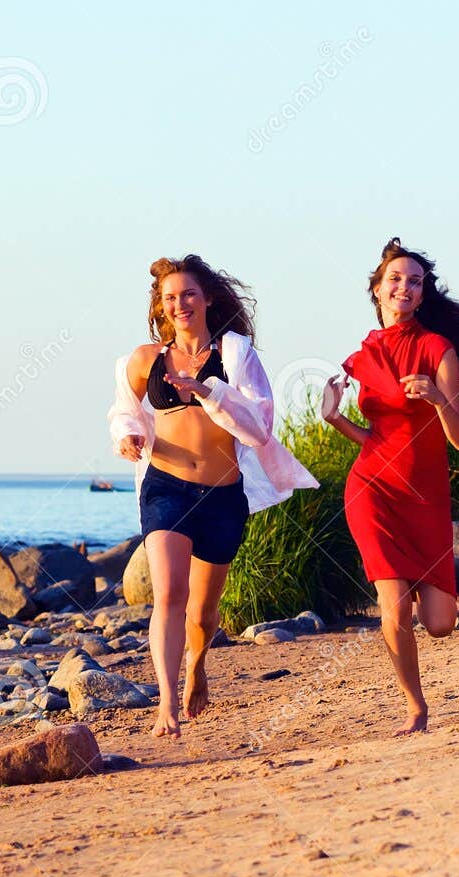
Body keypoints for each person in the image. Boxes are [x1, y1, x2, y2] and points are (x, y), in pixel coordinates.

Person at [108, 255, 317, 737]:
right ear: (161, 308)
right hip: (166, 488)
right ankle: (166, 704)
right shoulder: (145, 360)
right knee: (169, 594)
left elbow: (259, 428)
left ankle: (197, 663)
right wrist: (127, 437)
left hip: (222, 497)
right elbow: (123, 412)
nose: (180, 304)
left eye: (188, 295)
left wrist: (206, 391)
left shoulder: (237, 355)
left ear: (207, 299)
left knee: (202, 612)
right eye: (170, 298)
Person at [320, 238, 459, 734]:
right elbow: (373, 437)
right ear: (377, 289)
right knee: (393, 606)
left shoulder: (438, 350)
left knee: (440, 623)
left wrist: (436, 397)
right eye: (395, 279)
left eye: (414, 281)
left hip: (426, 498)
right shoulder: (362, 357)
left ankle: (415, 586)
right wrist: (333, 419)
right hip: (372, 487)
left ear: (422, 292)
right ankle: (416, 706)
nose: (404, 287)